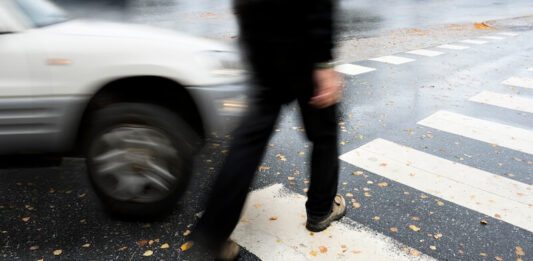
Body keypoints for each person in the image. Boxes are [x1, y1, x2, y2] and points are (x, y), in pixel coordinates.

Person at [192, 0, 345, 259]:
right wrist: (323, 62)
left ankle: (213, 231)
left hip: (260, 37)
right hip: (301, 40)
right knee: (324, 133)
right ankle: (321, 209)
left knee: (250, 139)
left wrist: (250, 35)